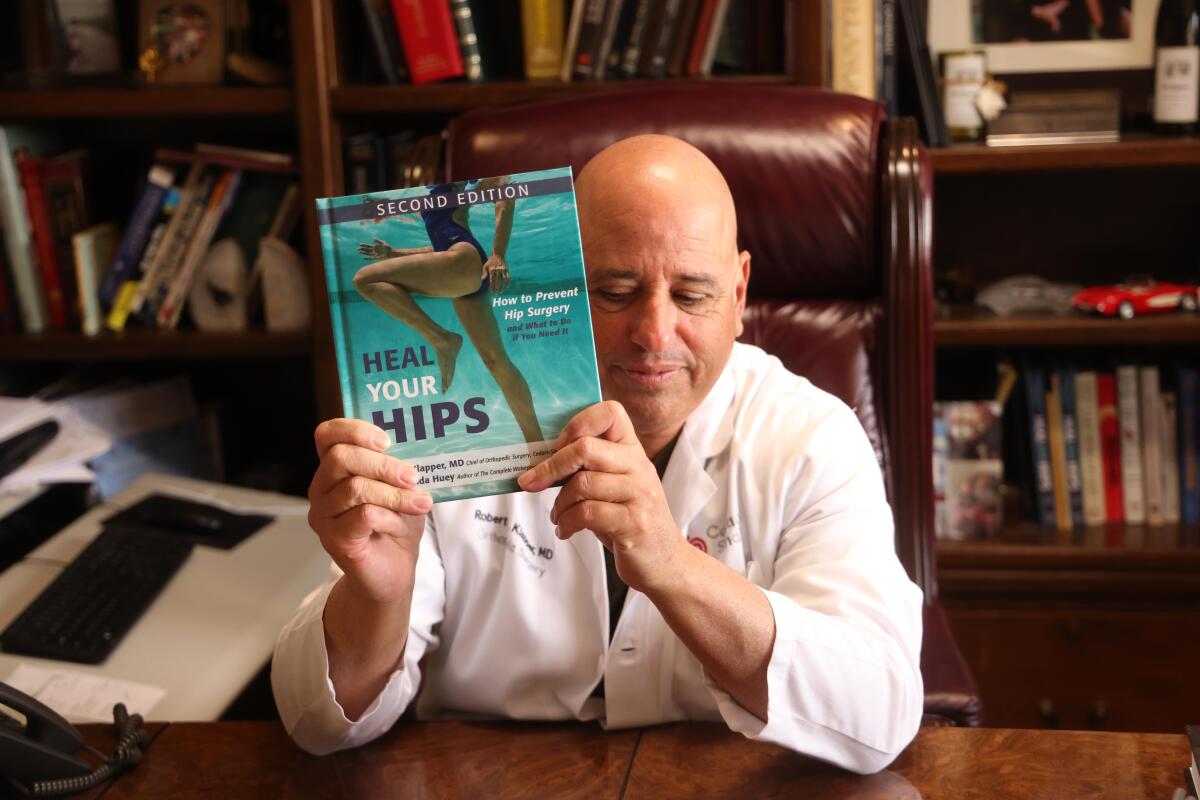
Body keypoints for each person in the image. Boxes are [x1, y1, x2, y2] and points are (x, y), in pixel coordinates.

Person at [272, 135, 924, 774]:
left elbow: (881, 713)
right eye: (614, 291)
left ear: (740, 293)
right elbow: (317, 724)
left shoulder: (810, 436)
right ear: (561, 284)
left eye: (692, 294)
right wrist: (377, 599)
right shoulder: (453, 432)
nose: (653, 334)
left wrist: (672, 566)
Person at [352, 175, 543, 444]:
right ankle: (537, 446)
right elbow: (438, 246)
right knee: (496, 362)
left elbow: (505, 192)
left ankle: (441, 339)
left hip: (464, 258)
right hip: (459, 263)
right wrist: (393, 253)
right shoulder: (426, 197)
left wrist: (498, 253)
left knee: (365, 279)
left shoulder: (458, 182)